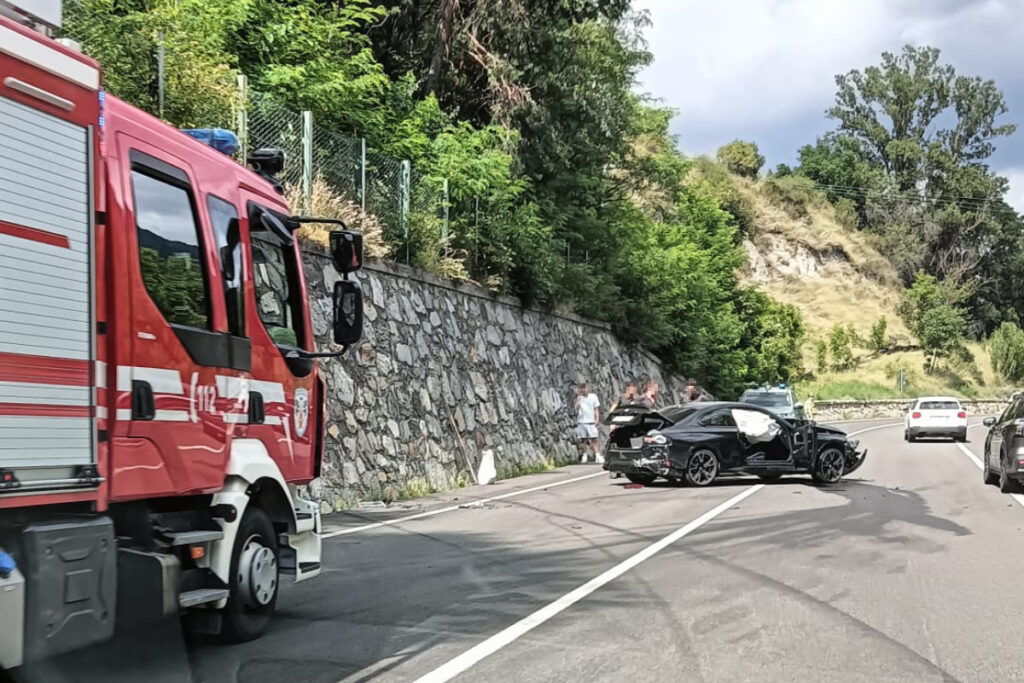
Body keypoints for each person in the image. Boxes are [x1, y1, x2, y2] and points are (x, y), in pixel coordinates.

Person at [573, 382, 602, 463]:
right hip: (582, 422)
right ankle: (584, 455)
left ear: (587, 388)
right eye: (581, 388)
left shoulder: (593, 396)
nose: (583, 390)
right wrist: (578, 399)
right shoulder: (578, 398)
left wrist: (597, 419)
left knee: (594, 439)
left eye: (584, 388)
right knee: (583, 440)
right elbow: (576, 409)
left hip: (591, 421)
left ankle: (597, 455)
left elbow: (596, 409)